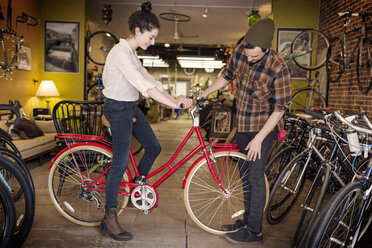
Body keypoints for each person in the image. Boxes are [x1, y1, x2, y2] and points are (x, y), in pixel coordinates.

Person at [100, 1, 193, 241]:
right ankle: (109, 217)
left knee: (154, 147)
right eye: (150, 37)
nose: (152, 43)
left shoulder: (131, 53)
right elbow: (144, 87)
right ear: (137, 31)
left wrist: (175, 97)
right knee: (119, 164)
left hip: (129, 106)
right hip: (117, 109)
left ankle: (135, 190)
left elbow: (147, 78)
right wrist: (174, 104)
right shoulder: (120, 53)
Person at [199, 18, 291, 244]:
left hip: (264, 128)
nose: (249, 59)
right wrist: (203, 94)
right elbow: (226, 76)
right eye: (247, 55)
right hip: (242, 124)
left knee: (256, 177)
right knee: (244, 176)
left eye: (255, 56)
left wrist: (259, 139)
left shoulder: (278, 67)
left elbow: (280, 109)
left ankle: (254, 232)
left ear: (267, 49)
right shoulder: (241, 51)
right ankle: (247, 221)